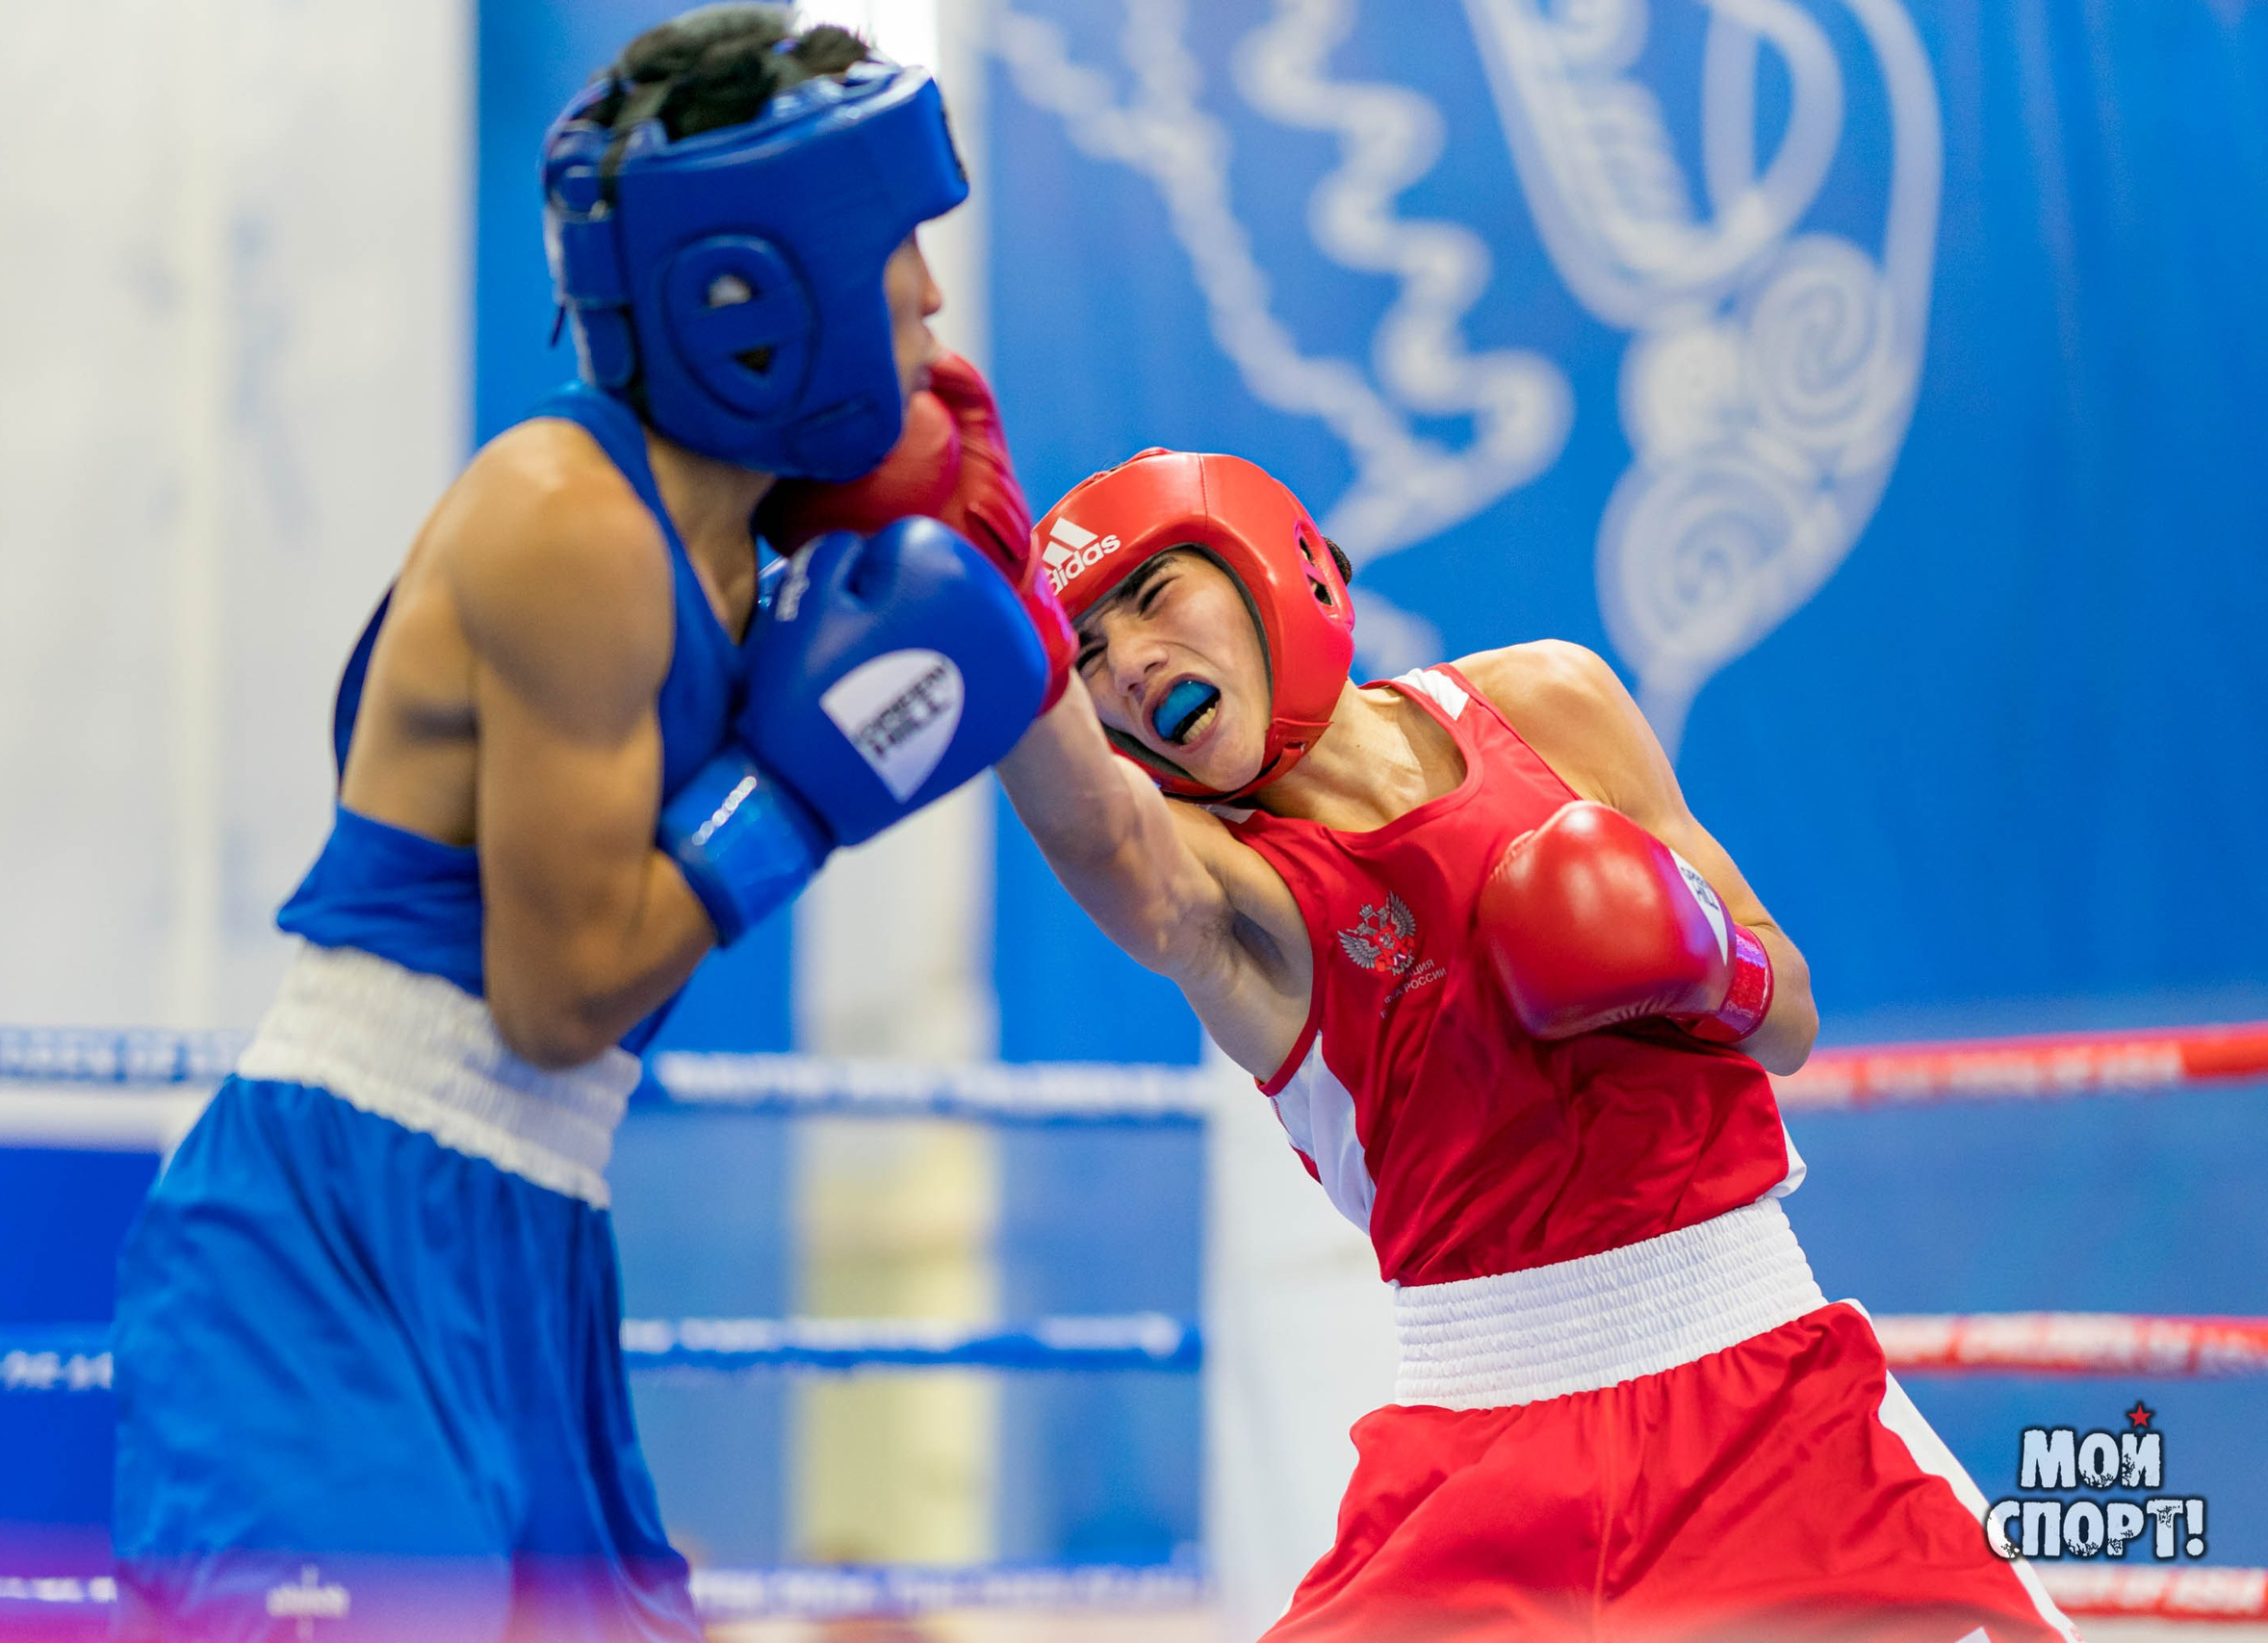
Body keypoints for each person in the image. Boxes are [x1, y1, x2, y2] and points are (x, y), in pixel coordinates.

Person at [108, 8, 1067, 1640]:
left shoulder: (755, 555)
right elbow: (556, 1004)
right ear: (758, 286)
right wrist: (803, 793)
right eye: (896, 242)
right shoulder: (570, 525)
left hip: (529, 1228)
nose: (931, 294)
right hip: (332, 1239)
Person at [782, 434, 2076, 1635]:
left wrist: (1696, 963)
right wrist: (994, 630)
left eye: (1154, 596)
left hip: (1763, 1396)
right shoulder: (1234, 885)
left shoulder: (1550, 701)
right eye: (1087, 649)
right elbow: (1104, 833)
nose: (1123, 660)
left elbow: (1786, 1016)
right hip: (1485, 1454)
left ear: (1279, 567)